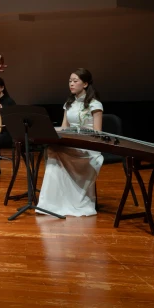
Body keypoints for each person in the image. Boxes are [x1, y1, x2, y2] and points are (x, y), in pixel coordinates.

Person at [37, 68, 104, 217]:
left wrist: (79, 135)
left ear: (85, 84)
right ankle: (51, 203)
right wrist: (46, 128)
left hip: (88, 148)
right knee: (52, 149)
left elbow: (98, 133)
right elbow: (64, 127)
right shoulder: (69, 103)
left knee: (55, 151)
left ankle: (65, 201)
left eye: (75, 81)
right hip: (72, 144)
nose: (71, 84)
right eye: (70, 81)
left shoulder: (95, 104)